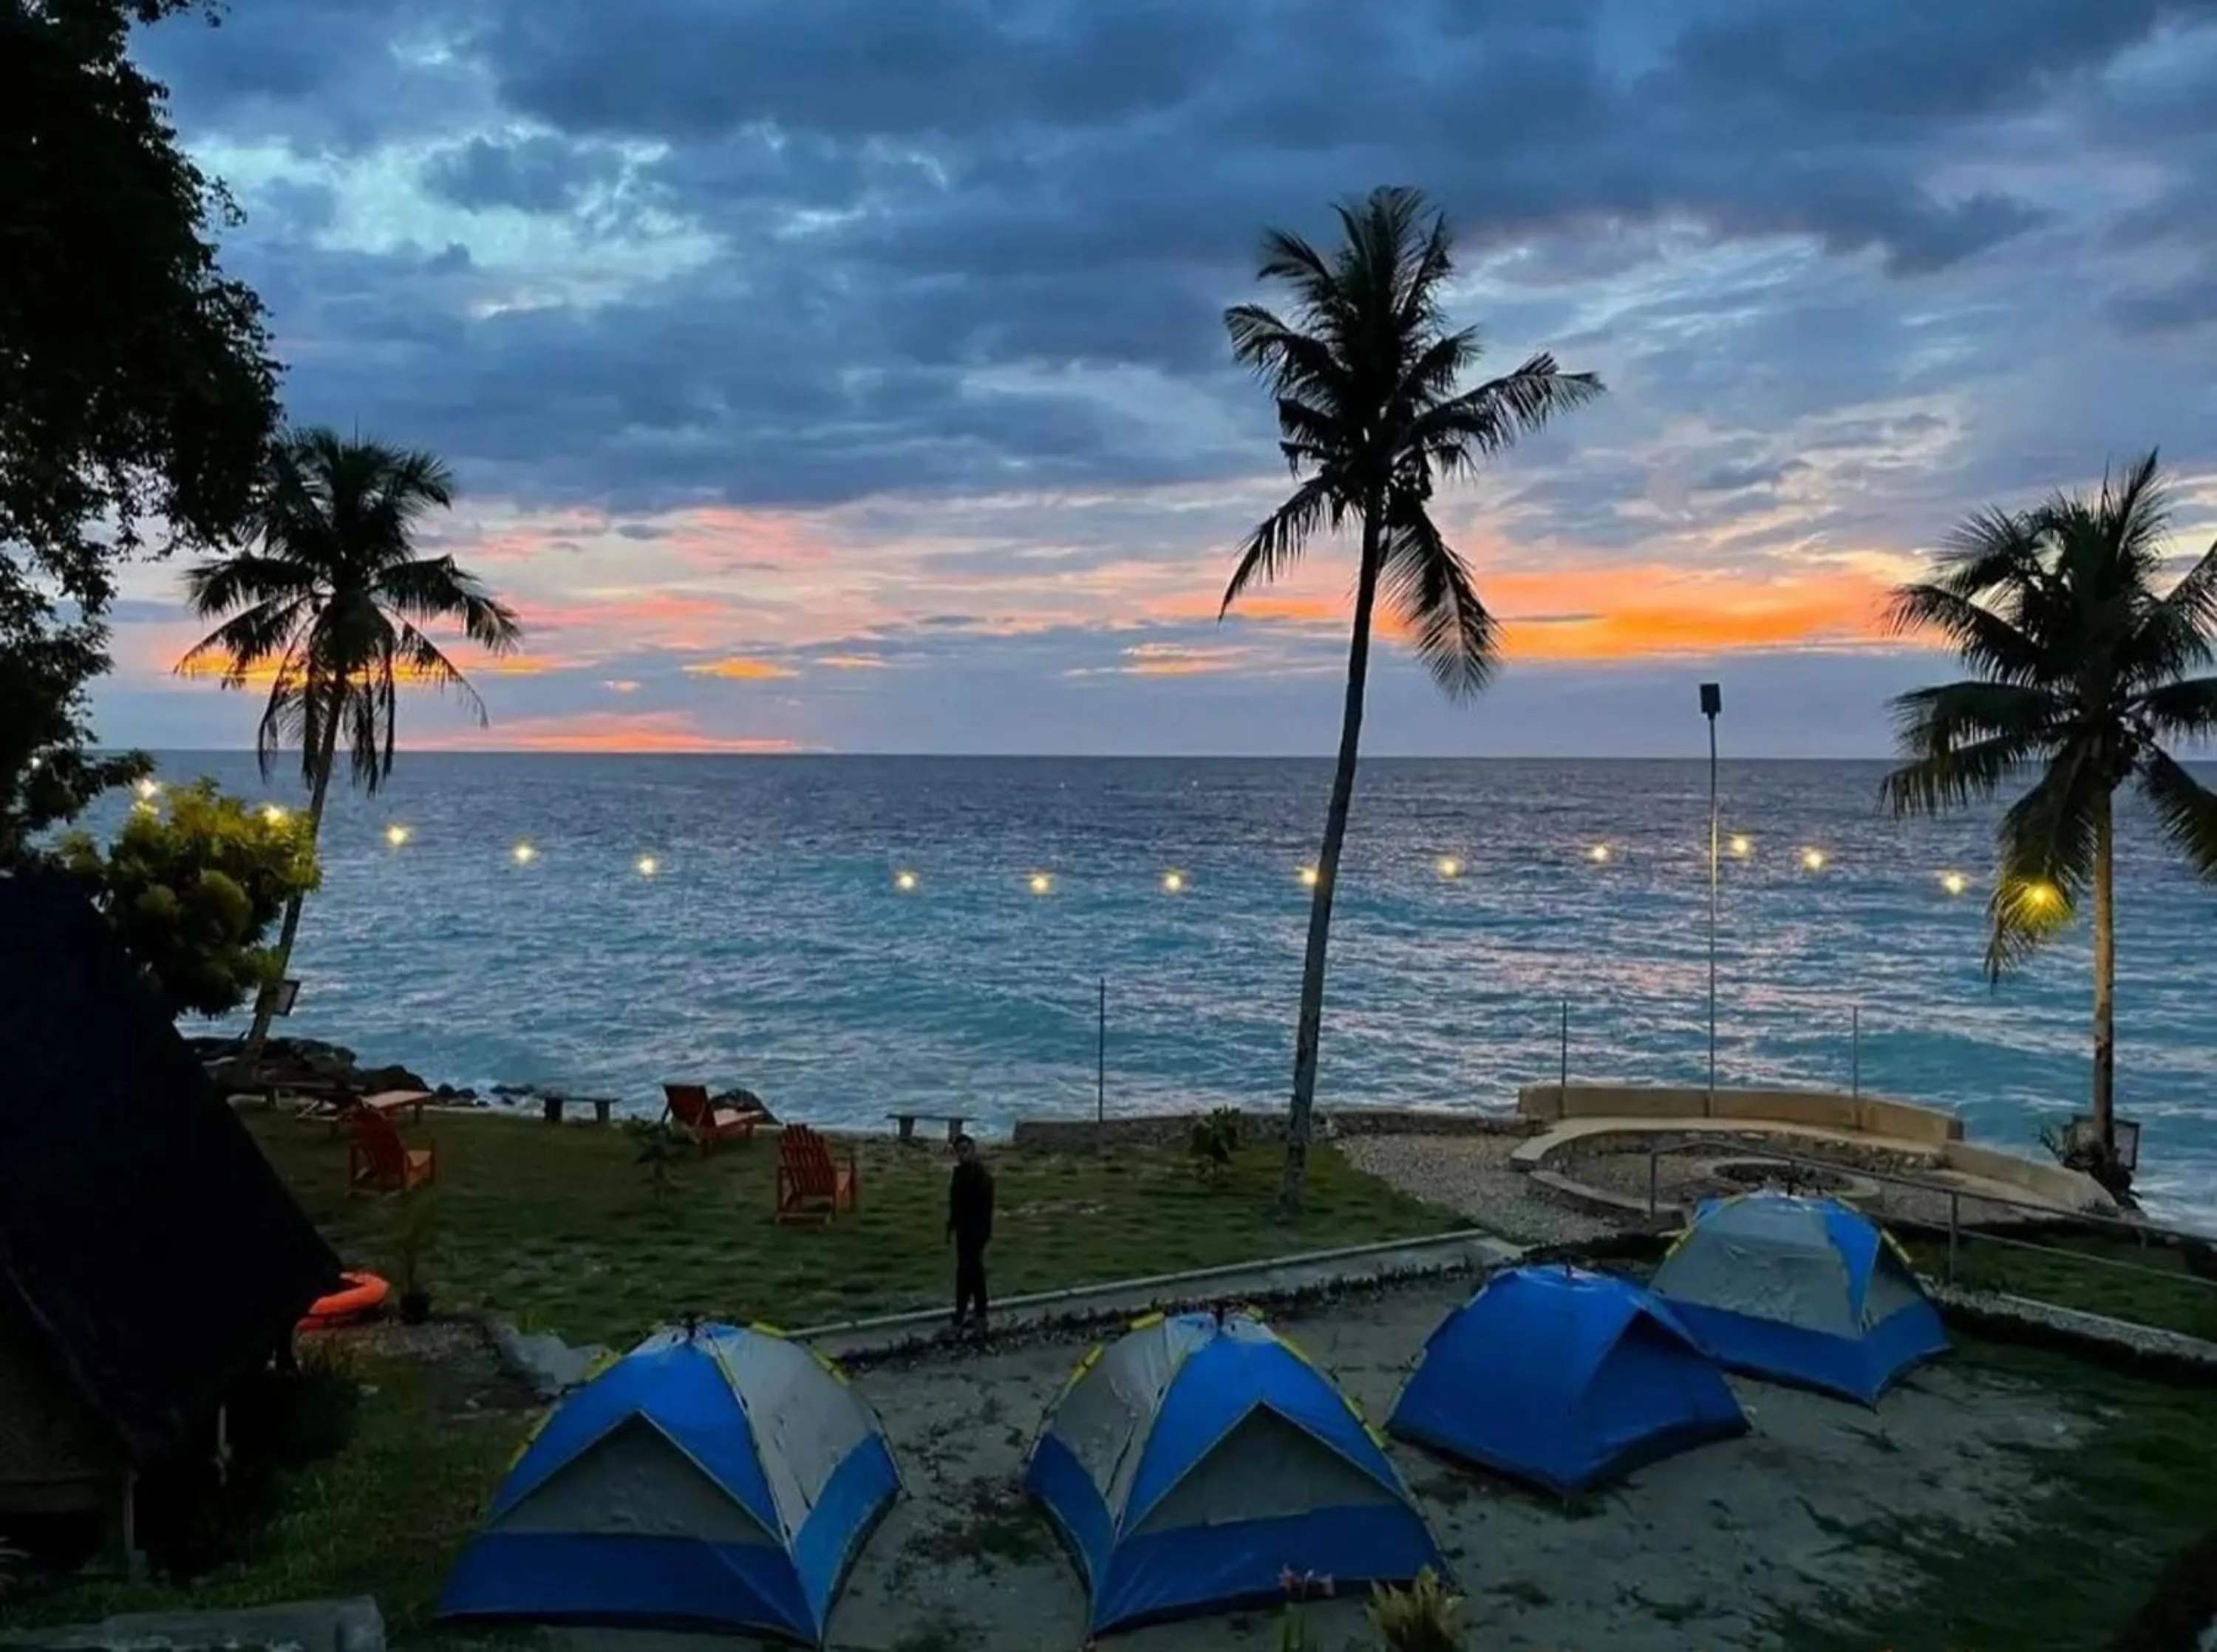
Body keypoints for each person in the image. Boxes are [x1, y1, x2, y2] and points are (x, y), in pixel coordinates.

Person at [946, 1133, 995, 1334]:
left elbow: (984, 1211)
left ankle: (974, 1313)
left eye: (965, 1150)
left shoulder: (981, 1177)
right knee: (969, 1273)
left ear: (973, 1151)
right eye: (959, 1151)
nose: (962, 1155)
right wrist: (951, 1226)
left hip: (976, 1233)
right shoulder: (960, 1173)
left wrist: (980, 1235)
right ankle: (971, 1312)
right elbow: (956, 1204)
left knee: (970, 1273)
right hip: (964, 1231)